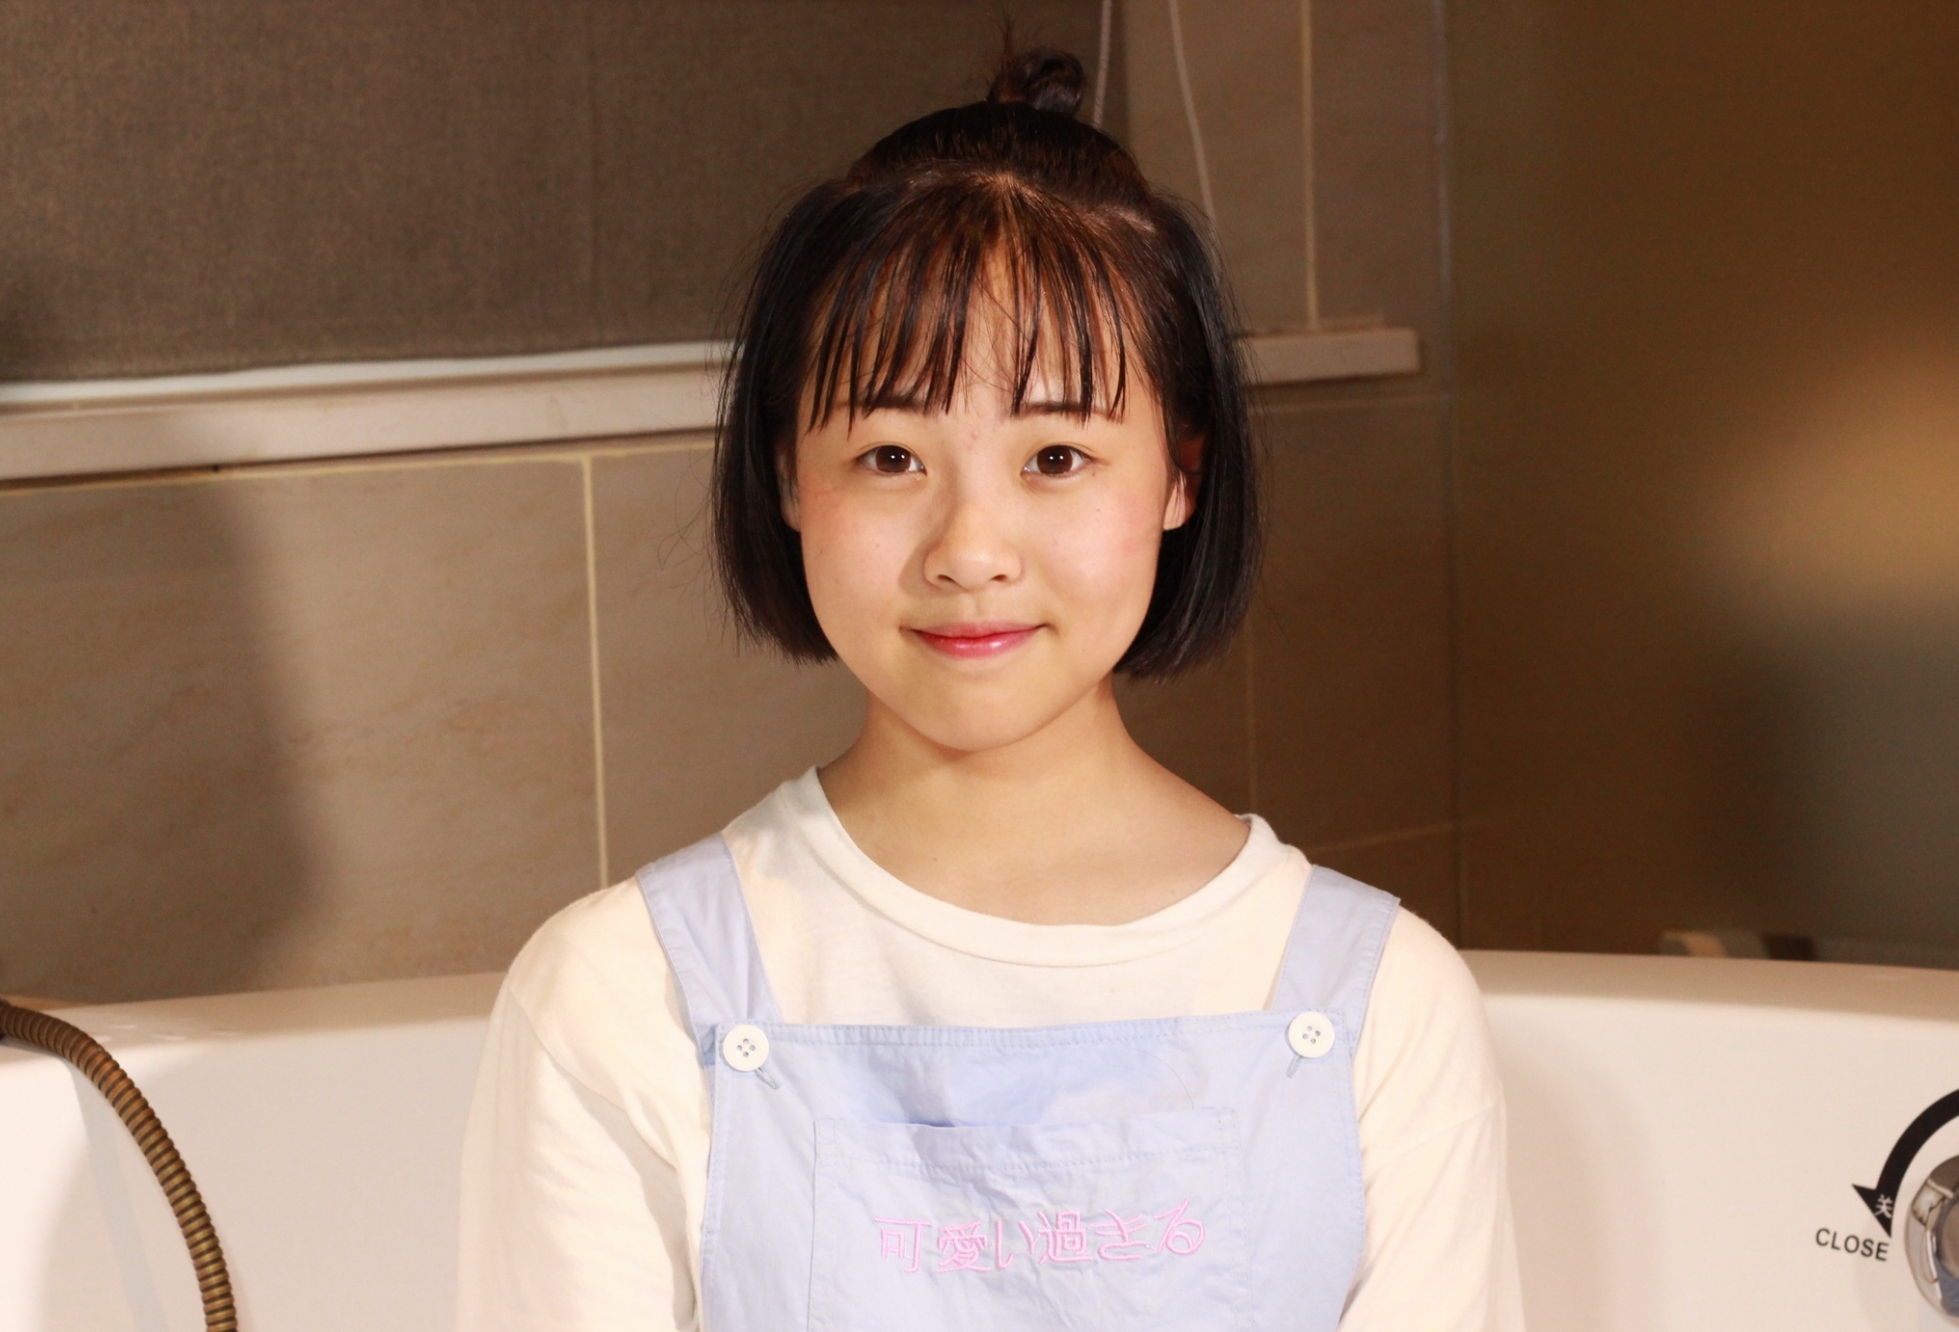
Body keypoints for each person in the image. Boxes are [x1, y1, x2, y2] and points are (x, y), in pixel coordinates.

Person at [458, 44, 1521, 1332]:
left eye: (1057, 455)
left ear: (1180, 476)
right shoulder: (622, 995)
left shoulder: (1382, 1004)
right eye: (890, 455)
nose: (970, 550)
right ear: (789, 477)